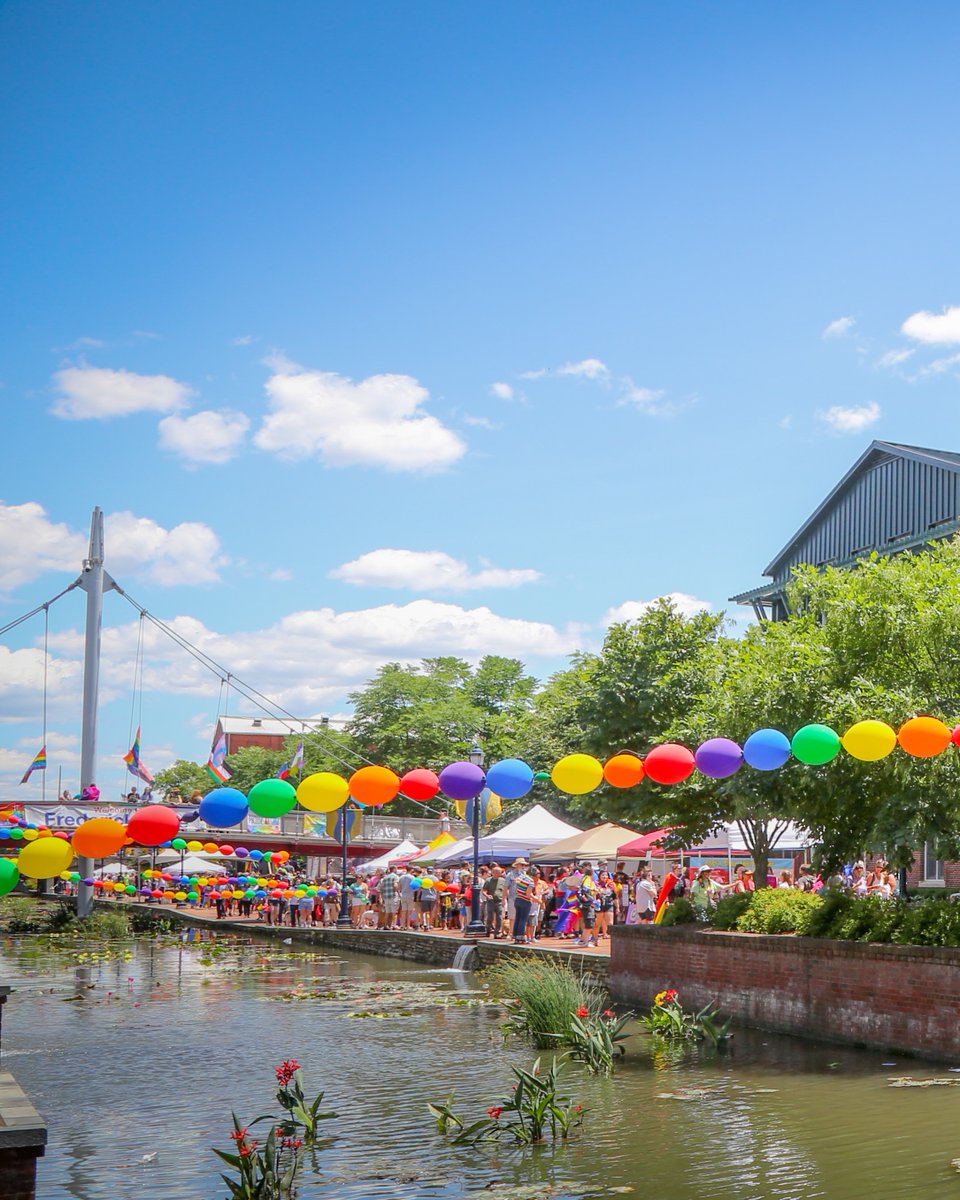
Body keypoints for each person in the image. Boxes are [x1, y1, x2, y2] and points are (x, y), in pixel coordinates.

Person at [574, 864, 598, 947]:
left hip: (587, 903)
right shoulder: (587, 878)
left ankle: (584, 940)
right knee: (589, 923)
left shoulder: (584, 878)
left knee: (589, 923)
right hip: (587, 904)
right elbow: (585, 888)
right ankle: (584, 941)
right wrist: (594, 889)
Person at [511, 860, 533, 944]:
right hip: (525, 900)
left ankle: (516, 936)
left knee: (518, 918)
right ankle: (521, 937)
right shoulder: (530, 880)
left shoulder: (519, 878)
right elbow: (528, 894)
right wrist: (535, 899)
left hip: (518, 899)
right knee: (523, 919)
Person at [482, 864, 507, 938]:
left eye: (499, 872)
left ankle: (497, 933)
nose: (498, 874)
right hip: (491, 902)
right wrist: (487, 895)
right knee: (490, 917)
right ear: (493, 872)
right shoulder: (488, 880)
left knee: (499, 917)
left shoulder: (503, 880)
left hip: (499, 901)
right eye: (496, 872)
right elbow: (484, 891)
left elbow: (505, 890)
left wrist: (505, 899)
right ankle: (488, 930)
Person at [378, 865, 401, 929]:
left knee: (387, 911)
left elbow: (381, 888)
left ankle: (386, 925)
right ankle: (394, 925)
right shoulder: (395, 876)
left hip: (386, 896)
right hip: (393, 895)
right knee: (394, 912)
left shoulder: (385, 878)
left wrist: (382, 896)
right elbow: (395, 885)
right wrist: (399, 893)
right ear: (394, 869)